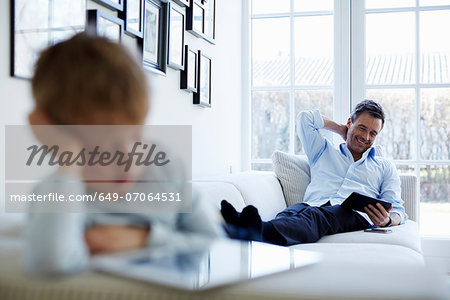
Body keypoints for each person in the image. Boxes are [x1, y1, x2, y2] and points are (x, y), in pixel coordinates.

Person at [24, 33, 224, 276]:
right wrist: (67, 162)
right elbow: (50, 260)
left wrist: (145, 238)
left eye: (136, 137)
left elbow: (219, 247)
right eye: (104, 150)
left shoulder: (167, 171)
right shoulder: (59, 192)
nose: (128, 159)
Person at [221, 100, 405, 246]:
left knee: (317, 217)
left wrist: (388, 220)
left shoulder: (385, 166)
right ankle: (240, 226)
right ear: (350, 122)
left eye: (373, 133)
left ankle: (257, 230)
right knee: (288, 215)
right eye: (362, 128)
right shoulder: (323, 151)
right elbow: (304, 119)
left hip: (352, 214)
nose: (366, 137)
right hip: (310, 205)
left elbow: (398, 210)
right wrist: (340, 129)